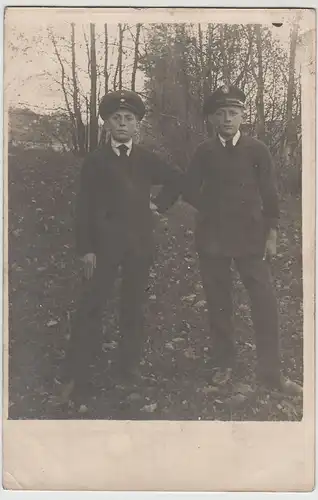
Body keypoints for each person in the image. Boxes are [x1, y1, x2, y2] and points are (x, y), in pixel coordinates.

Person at [57, 90, 182, 411]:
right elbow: (83, 207)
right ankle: (76, 375)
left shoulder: (145, 158)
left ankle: (127, 368)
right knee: (92, 306)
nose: (123, 124)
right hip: (103, 248)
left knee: (133, 307)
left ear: (138, 124)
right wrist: (85, 249)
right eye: (117, 119)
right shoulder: (96, 161)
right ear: (107, 123)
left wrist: (159, 205)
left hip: (139, 246)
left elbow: (175, 180)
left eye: (129, 119)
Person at [182, 84, 302, 395]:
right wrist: (211, 208)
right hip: (213, 240)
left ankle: (271, 372)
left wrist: (271, 232)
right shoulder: (204, 152)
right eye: (220, 114)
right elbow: (190, 189)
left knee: (265, 302)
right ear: (212, 119)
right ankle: (224, 363)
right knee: (219, 303)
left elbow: (270, 193)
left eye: (232, 113)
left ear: (242, 116)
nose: (227, 119)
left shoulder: (257, 149)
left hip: (251, 238)